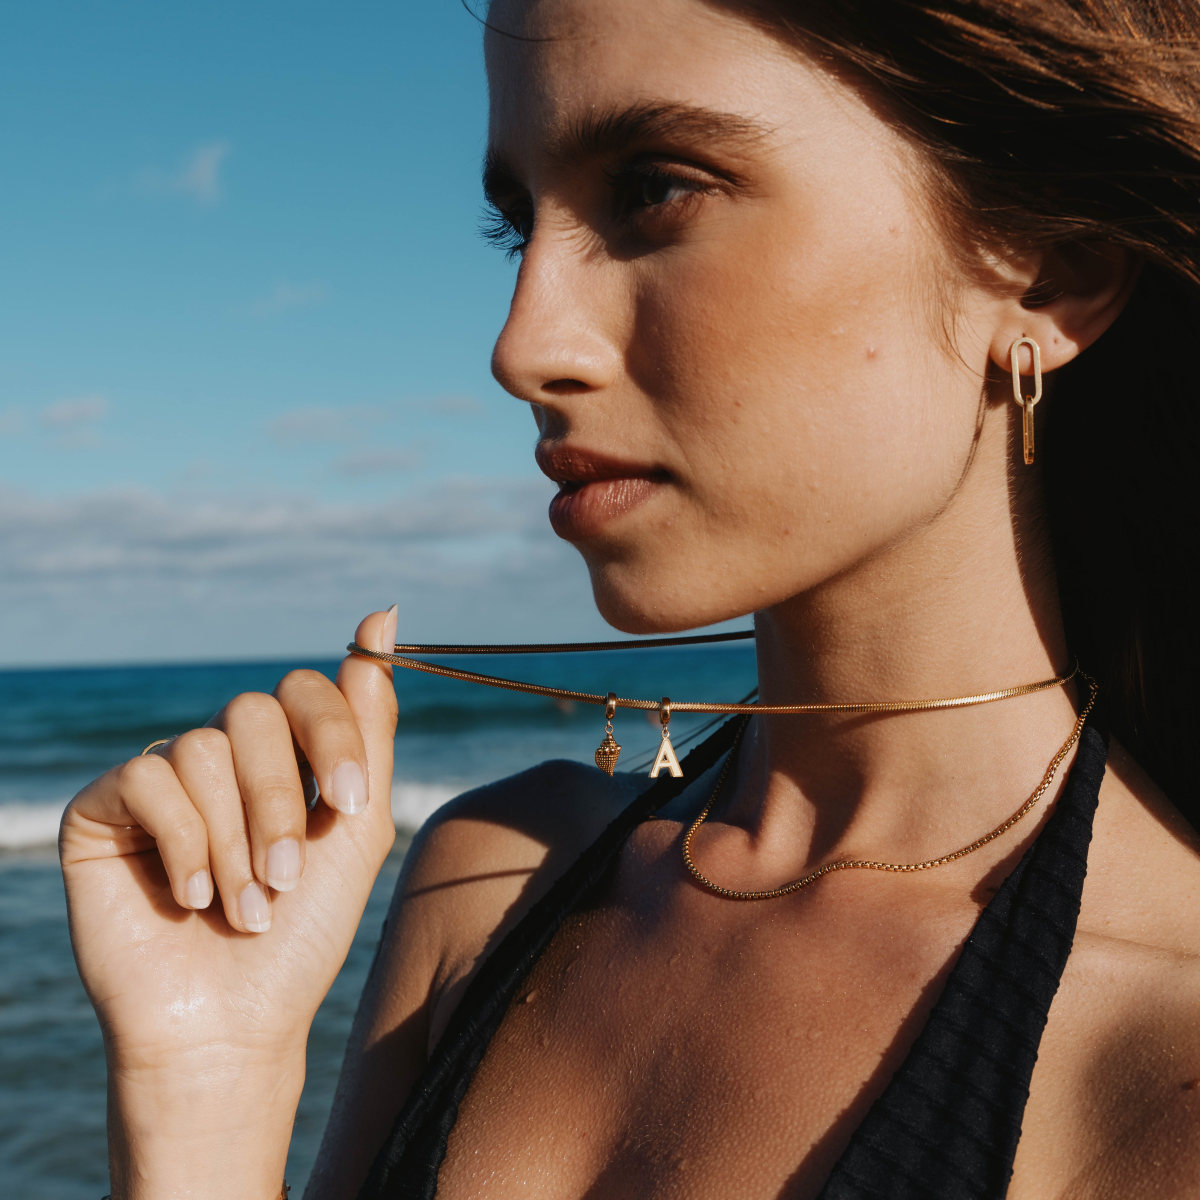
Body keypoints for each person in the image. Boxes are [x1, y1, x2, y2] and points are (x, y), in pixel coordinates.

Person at [61, 1, 1200, 1196]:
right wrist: (203, 1084)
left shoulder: (1156, 1064)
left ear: (1046, 269)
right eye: (518, 226)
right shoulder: (493, 884)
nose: (521, 347)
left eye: (657, 189)